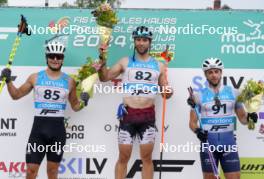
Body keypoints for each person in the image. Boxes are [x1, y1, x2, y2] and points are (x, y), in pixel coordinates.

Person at [0, 40, 89, 179]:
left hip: (57, 132)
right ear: (46, 57)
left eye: (58, 56)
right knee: (31, 171)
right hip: (38, 131)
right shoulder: (35, 77)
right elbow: (16, 95)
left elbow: (75, 106)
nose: (55, 59)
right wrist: (8, 81)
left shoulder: (69, 81)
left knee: (52, 171)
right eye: (52, 55)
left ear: (62, 59)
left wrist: (84, 101)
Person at [98, 26, 173, 179]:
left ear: (149, 42)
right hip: (128, 115)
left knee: (146, 158)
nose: (141, 43)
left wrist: (169, 92)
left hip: (147, 116)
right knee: (123, 157)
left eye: (144, 40)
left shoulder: (159, 65)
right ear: (135, 42)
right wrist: (102, 59)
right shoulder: (125, 61)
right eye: (138, 39)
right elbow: (104, 77)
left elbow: (166, 90)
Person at [187, 58, 258, 179]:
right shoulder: (198, 96)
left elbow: (242, 119)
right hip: (208, 145)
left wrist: (250, 117)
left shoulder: (234, 93)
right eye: (210, 72)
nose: (214, 75)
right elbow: (192, 123)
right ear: (205, 75)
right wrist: (198, 131)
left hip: (229, 144)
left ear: (221, 72)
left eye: (216, 71)